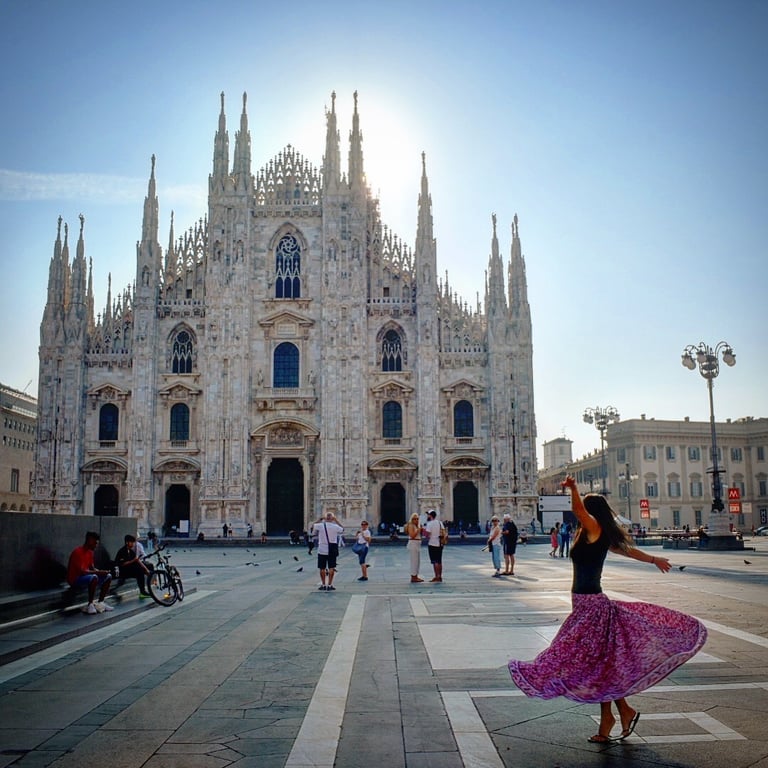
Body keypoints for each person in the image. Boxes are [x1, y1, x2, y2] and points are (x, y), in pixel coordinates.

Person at [508, 475, 707, 743]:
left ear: (591, 512)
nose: (580, 514)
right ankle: (618, 713)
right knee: (602, 664)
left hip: (591, 607)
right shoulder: (593, 532)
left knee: (572, 657)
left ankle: (615, 717)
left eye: (584, 511)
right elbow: (628, 551)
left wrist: (574, 489)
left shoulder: (593, 527)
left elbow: (579, 510)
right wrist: (653, 559)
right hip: (588, 606)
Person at [66, 531, 114, 614]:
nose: (96, 546)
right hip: (75, 579)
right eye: (95, 543)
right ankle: (90, 604)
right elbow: (82, 572)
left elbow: (92, 568)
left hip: (85, 577)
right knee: (94, 577)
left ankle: (101, 603)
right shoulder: (77, 552)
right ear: (90, 541)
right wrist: (98, 573)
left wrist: (102, 572)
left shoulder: (90, 553)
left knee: (108, 576)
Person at [313, 512, 344, 591]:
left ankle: (323, 584)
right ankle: (330, 585)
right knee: (331, 567)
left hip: (322, 550)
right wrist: (336, 520)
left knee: (322, 568)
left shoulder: (320, 525)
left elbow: (313, 525)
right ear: (332, 518)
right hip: (332, 550)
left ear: (325, 518)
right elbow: (342, 529)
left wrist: (319, 519)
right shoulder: (335, 526)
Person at [424, 510, 444, 583]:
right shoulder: (440, 522)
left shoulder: (430, 524)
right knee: (439, 561)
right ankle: (440, 576)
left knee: (435, 561)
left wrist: (423, 530)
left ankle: (436, 576)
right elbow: (443, 531)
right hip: (440, 543)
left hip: (432, 544)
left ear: (430, 515)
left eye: (428, 515)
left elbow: (427, 535)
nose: (427, 516)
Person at [405, 513, 424, 582]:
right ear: (412, 519)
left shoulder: (416, 526)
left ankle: (416, 575)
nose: (416, 520)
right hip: (413, 544)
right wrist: (418, 530)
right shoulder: (411, 525)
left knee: (417, 561)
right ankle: (413, 576)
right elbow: (412, 535)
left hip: (417, 544)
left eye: (417, 519)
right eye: (414, 519)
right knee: (414, 561)